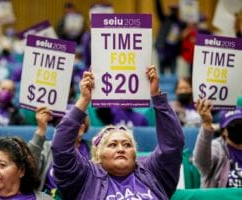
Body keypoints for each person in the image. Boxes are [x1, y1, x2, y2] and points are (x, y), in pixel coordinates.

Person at [51, 66, 184, 199]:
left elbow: (172, 144)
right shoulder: (84, 178)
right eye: (112, 145)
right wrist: (84, 100)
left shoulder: (152, 172)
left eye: (127, 145)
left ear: (135, 153)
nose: (121, 149)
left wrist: (157, 95)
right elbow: (60, 147)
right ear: (97, 155)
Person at [28, 106, 90, 199]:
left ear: (82, 127)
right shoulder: (47, 147)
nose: (63, 128)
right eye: (59, 123)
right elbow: (28, 168)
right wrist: (41, 130)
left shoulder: (93, 149)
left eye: (68, 124)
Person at [193, 99, 242, 188]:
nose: (238, 128)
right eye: (233, 125)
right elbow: (201, 162)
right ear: (224, 131)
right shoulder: (217, 147)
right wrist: (207, 124)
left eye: (241, 124)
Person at [154, 0, 185, 75]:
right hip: (163, 49)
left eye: (176, 10)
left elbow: (185, 32)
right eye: (172, 9)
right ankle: (161, 86)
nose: (174, 11)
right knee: (161, 72)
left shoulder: (180, 23)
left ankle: (173, 86)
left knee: (173, 72)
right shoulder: (165, 19)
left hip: (173, 52)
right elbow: (159, 10)